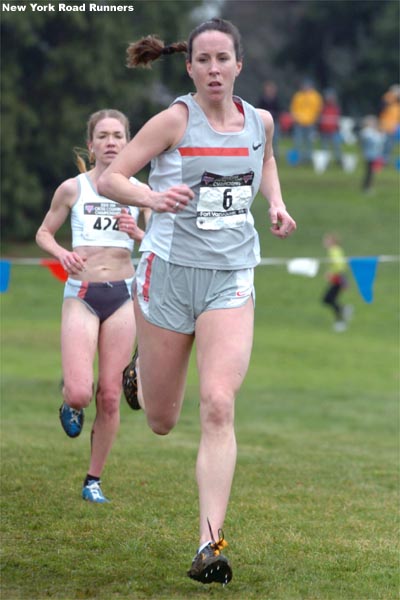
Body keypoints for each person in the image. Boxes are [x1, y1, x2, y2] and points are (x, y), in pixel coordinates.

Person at [98, 18, 296, 584]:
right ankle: (141, 367)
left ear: (240, 64)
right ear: (189, 67)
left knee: (217, 403)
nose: (213, 69)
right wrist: (153, 197)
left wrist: (276, 204)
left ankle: (210, 544)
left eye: (222, 59)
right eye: (203, 60)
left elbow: (265, 162)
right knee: (162, 420)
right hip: (168, 276)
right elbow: (112, 178)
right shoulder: (173, 121)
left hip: (231, 278)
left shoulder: (260, 122)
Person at [36, 109, 150, 503]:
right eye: (103, 136)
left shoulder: (139, 190)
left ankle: (93, 480)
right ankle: (70, 400)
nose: (111, 142)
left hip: (123, 295)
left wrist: (140, 232)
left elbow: (160, 244)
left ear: (128, 141)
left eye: (118, 135)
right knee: (83, 393)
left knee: (110, 394)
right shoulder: (73, 188)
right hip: (82, 294)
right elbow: (43, 233)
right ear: (92, 144)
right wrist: (61, 253)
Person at [322, 233, 352, 332]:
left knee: (328, 298)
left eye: (327, 240)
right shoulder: (337, 250)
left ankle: (342, 314)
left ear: (332, 241)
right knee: (329, 299)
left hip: (338, 278)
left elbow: (338, 265)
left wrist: (331, 273)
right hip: (340, 277)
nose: (324, 242)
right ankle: (341, 318)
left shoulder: (333, 250)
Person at [290, 78, 323, 164]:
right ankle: (297, 160)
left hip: (310, 123)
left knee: (309, 143)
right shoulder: (298, 96)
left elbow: (318, 109)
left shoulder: (316, 96)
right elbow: (293, 108)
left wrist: (315, 120)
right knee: (298, 141)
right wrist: (296, 118)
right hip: (299, 123)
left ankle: (308, 159)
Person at [359, 115, 385, 193]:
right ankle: (367, 187)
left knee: (372, 172)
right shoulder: (366, 132)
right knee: (369, 172)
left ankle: (368, 187)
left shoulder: (372, 131)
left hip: (374, 155)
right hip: (369, 155)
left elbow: (380, 140)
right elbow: (372, 142)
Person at [318, 88, 343, 164]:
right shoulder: (323, 108)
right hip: (324, 131)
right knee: (324, 147)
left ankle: (339, 161)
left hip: (334, 131)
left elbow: (338, 119)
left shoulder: (336, 108)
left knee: (336, 147)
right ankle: (325, 162)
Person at [258, 80, 281, 159]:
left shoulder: (276, 100)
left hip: (274, 122)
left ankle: (274, 156)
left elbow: (279, 110)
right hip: (264, 123)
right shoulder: (262, 99)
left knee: (274, 140)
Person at [378, 84, 400, 165]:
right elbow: (381, 109)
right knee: (385, 146)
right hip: (386, 127)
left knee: (389, 146)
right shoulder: (387, 99)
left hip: (394, 128)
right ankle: (381, 162)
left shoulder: (396, 103)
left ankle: (385, 161)